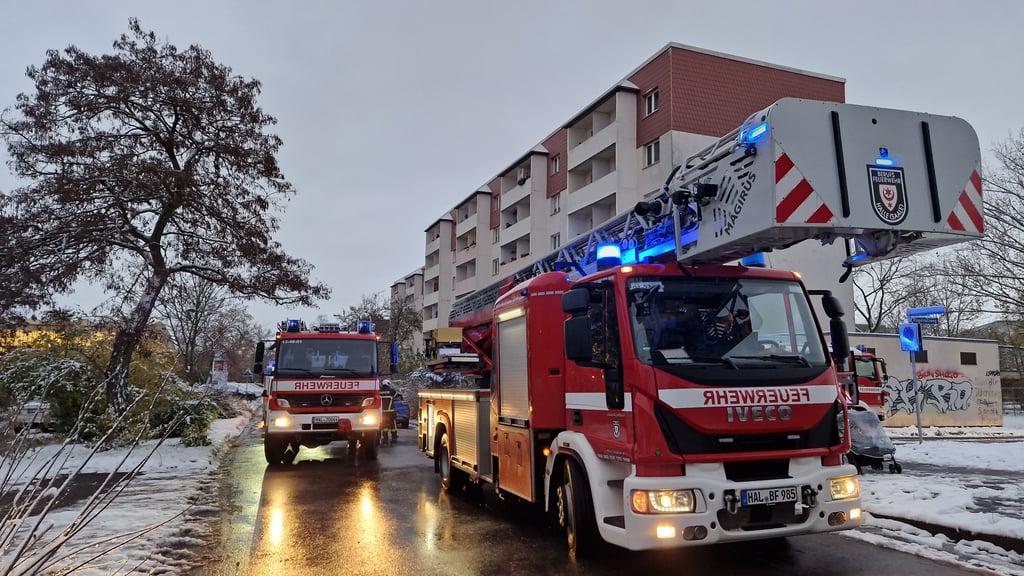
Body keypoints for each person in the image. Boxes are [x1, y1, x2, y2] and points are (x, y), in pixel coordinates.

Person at [379, 381, 398, 446]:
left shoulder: (379, 391)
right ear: (388, 384)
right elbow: (396, 396)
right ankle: (394, 437)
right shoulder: (392, 391)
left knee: (384, 425)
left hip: (382, 412)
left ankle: (385, 438)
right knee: (393, 424)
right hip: (391, 411)